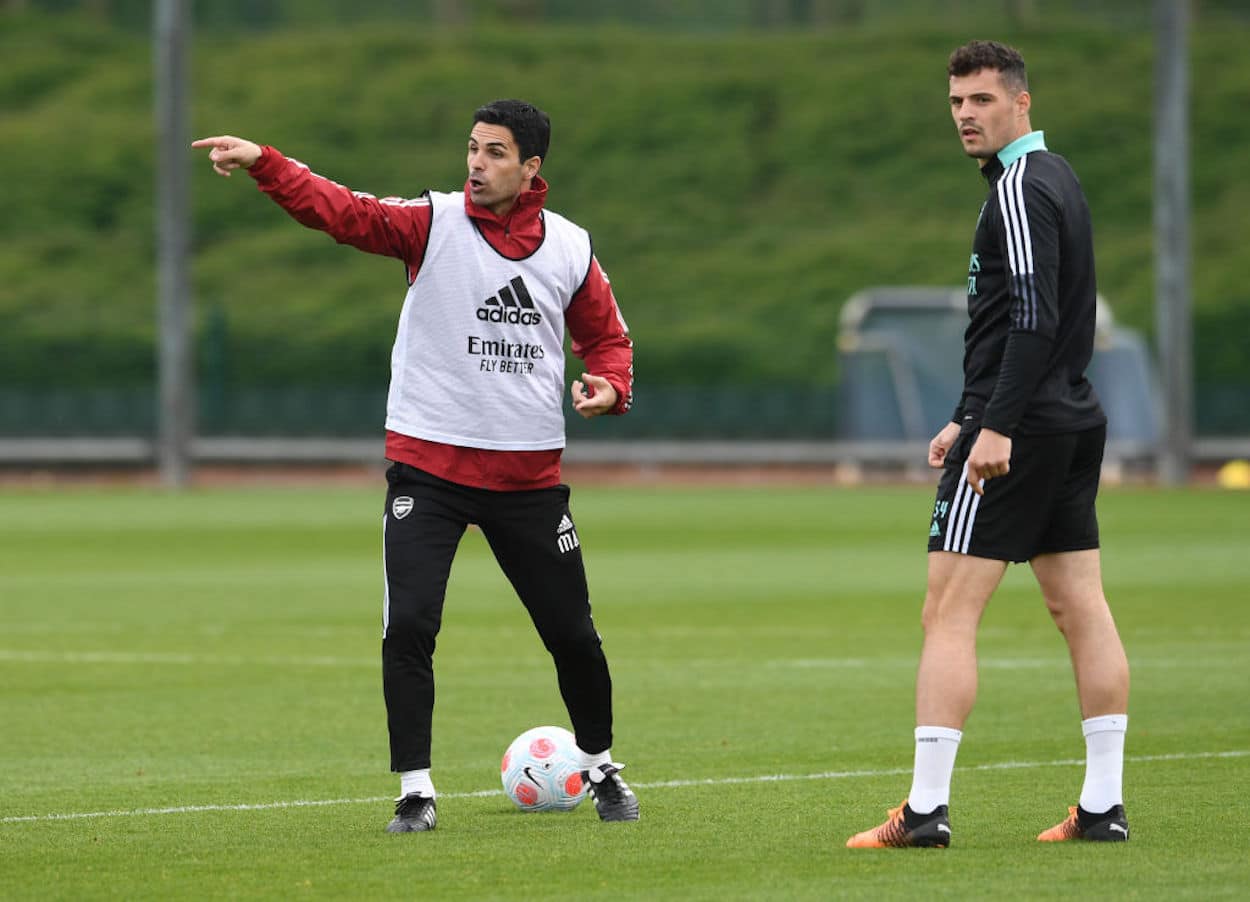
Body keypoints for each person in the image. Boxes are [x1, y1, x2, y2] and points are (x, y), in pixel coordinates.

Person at [192, 99, 640, 833]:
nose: (476, 163)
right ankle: (416, 791)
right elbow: (342, 211)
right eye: (472, 148)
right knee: (409, 627)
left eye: (496, 153)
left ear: (532, 168)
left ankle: (599, 766)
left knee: (573, 634)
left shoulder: (568, 247)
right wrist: (266, 164)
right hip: (428, 471)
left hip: (528, 482)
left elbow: (607, 337)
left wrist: (609, 386)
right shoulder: (432, 223)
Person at [845, 41, 1130, 848]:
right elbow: (1016, 319)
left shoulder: (1018, 187)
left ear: (1021, 102)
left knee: (948, 612)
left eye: (981, 100)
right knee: (1080, 605)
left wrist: (994, 426)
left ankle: (926, 811)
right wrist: (967, 411)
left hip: (1025, 430)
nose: (967, 115)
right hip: (1070, 419)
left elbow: (1035, 319)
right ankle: (1102, 808)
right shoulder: (1060, 178)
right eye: (957, 103)